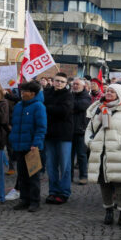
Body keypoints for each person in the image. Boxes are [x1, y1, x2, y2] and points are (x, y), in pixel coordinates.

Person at [86, 84, 121, 229]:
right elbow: (89, 129)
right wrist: (89, 143)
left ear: (118, 94)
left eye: (112, 91)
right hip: (100, 152)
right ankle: (108, 212)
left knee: (120, 184)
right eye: (107, 91)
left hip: (117, 152)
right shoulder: (98, 109)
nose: (108, 93)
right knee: (104, 184)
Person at [9, 81, 47, 212]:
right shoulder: (19, 105)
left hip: (32, 147)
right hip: (19, 145)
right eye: (22, 91)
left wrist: (35, 144)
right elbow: (14, 124)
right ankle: (24, 199)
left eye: (25, 91)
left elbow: (41, 127)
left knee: (33, 176)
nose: (22, 93)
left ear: (33, 93)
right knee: (22, 175)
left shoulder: (39, 106)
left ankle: (35, 201)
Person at [43, 72, 74, 204]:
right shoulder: (46, 93)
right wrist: (52, 109)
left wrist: (48, 108)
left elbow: (64, 111)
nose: (59, 83)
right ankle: (53, 191)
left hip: (64, 135)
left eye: (62, 81)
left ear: (66, 84)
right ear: (53, 81)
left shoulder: (68, 95)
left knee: (65, 166)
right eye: (57, 81)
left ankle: (64, 192)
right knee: (51, 166)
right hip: (49, 134)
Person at [70, 78, 91, 184]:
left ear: (83, 86)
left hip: (81, 130)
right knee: (69, 156)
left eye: (77, 84)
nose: (75, 86)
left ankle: (83, 176)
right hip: (70, 130)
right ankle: (69, 177)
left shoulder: (86, 96)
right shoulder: (70, 95)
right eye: (74, 84)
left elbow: (80, 106)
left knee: (81, 155)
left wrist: (70, 105)